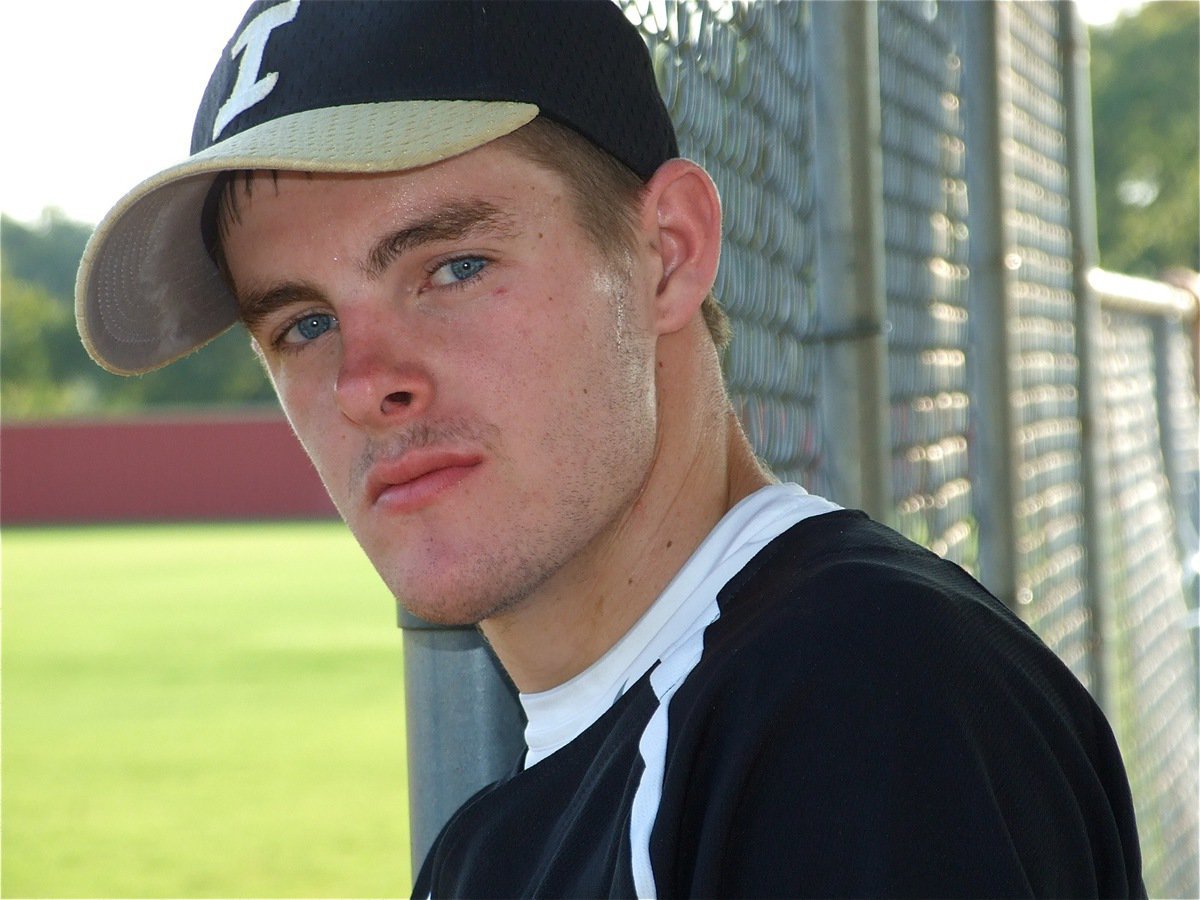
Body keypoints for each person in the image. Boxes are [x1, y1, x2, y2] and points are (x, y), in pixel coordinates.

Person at [76, 1, 1145, 896]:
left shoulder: (854, 704)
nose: (365, 384)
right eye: (303, 324)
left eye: (453, 267)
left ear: (668, 254)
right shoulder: (487, 845)